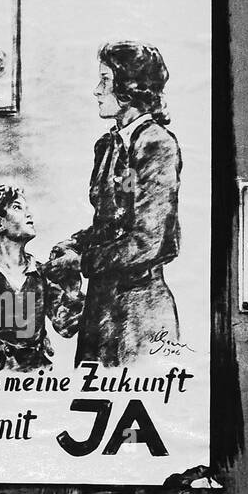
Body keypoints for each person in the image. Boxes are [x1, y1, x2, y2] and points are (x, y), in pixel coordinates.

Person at [74, 42, 182, 366]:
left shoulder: (158, 145)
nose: (96, 91)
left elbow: (147, 242)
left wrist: (84, 261)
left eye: (105, 81)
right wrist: (74, 246)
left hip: (139, 309)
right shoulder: (107, 146)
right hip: (100, 306)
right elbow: (107, 224)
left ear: (130, 88)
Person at [0, 186, 82, 371]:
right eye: (18, 207)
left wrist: (73, 288)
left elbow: (66, 326)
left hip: (39, 376)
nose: (29, 214)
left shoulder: (42, 274)